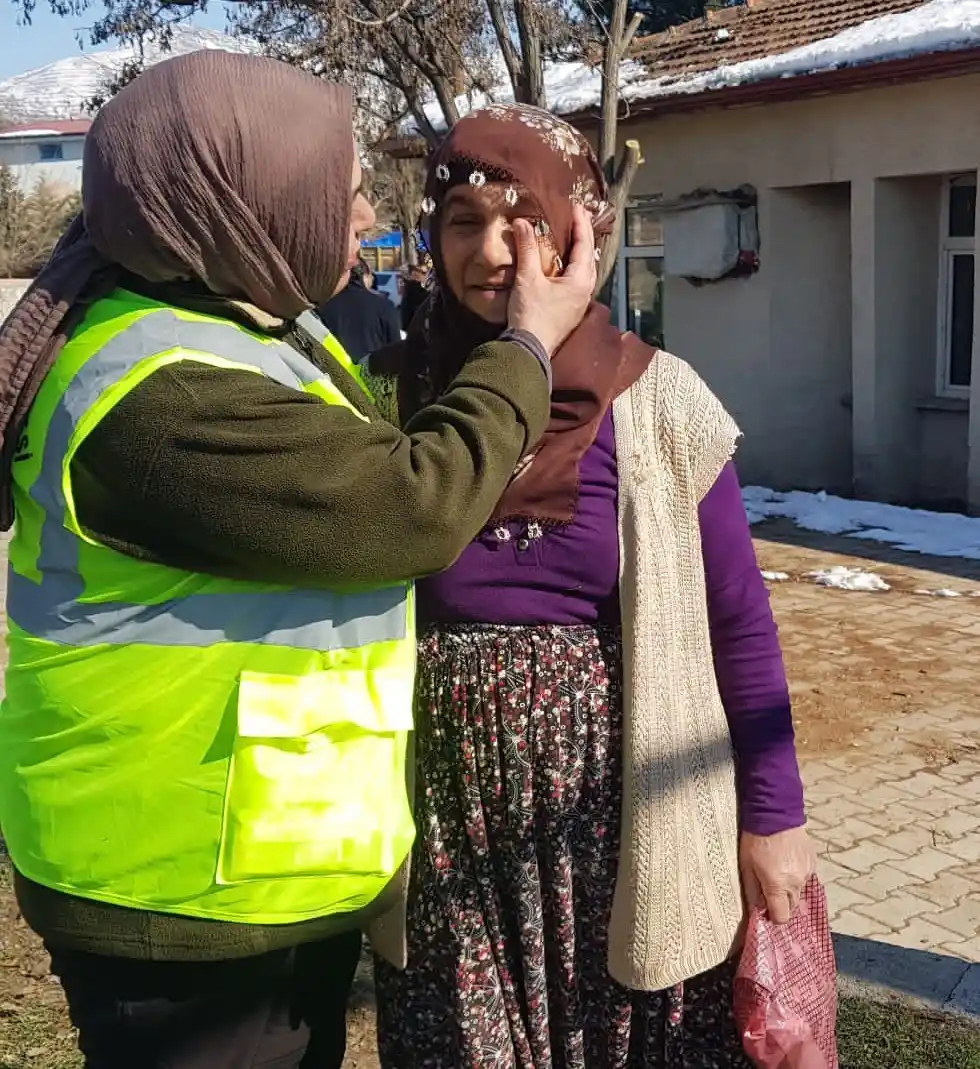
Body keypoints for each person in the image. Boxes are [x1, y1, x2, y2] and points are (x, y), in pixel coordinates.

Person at [0, 60, 597, 1069]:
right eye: (342, 185)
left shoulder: (228, 327)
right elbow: (410, 505)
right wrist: (531, 344)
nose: (363, 210)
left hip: (243, 873)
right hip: (182, 896)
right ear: (244, 199)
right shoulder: (164, 388)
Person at [363, 104, 814, 1069]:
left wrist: (774, 817)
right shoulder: (390, 394)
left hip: (619, 818)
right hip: (447, 826)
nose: (493, 251)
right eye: (463, 221)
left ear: (580, 229)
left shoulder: (658, 400)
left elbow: (739, 623)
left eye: (523, 221)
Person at [317, 258, 401, 362]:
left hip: (335, 371)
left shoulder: (324, 305)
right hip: (373, 372)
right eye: (371, 277)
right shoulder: (383, 305)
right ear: (364, 275)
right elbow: (396, 347)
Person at [399, 261, 430, 332]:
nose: (426, 275)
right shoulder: (415, 291)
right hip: (418, 331)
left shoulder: (408, 289)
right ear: (415, 274)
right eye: (423, 273)